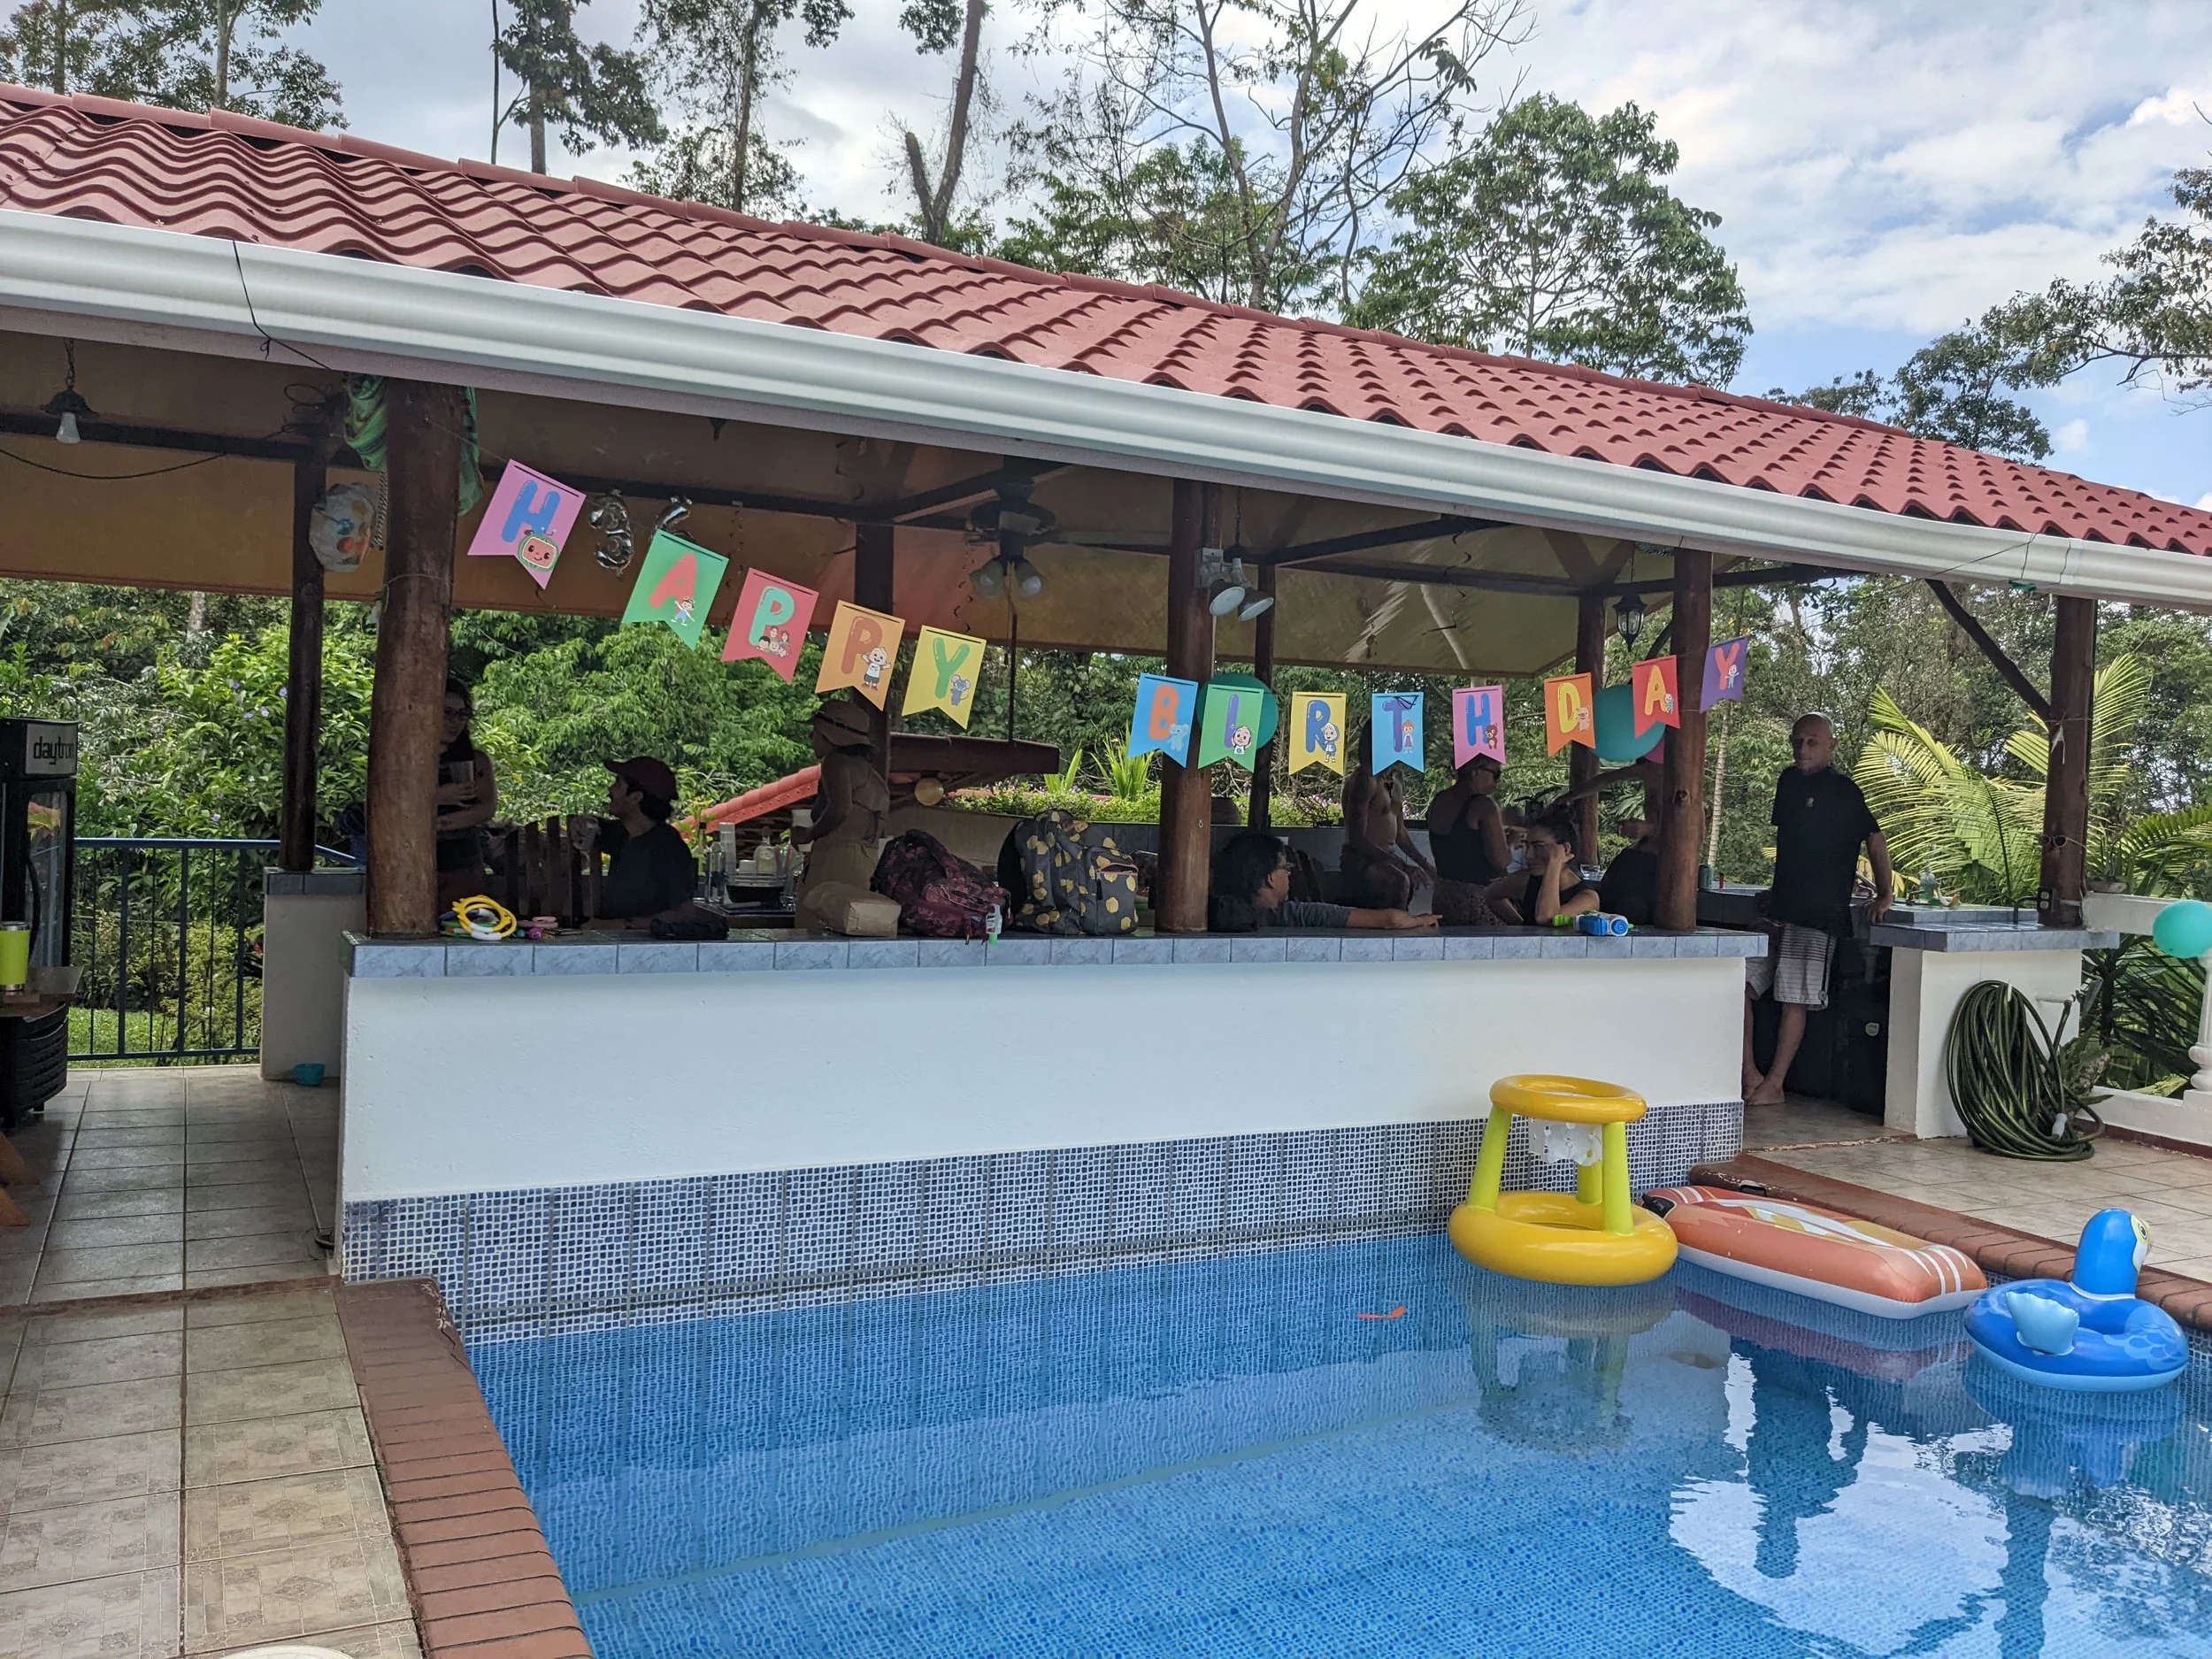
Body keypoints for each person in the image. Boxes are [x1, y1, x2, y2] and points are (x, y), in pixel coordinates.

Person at [1746, 713, 1893, 1107]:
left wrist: (1885, 894)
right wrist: (1775, 889)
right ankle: (1750, 1075)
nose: (1802, 749)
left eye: (1811, 742)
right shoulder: (1787, 781)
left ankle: (1775, 1084)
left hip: (1818, 911)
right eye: (1797, 741)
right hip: (1780, 906)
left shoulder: (1844, 790)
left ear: (1831, 746)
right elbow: (1794, 842)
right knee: (1738, 982)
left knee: (1795, 995)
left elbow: (1874, 841)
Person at [1210, 832, 1438, 933]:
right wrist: (1419, 920)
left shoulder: (1215, 912)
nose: (1290, 874)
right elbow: (1390, 919)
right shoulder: (1292, 914)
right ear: (1270, 877)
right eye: (1286, 868)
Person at [792, 697, 889, 930]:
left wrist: (807, 835)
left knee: (814, 932)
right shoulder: (870, 772)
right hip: (866, 859)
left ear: (830, 736)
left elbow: (840, 807)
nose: (811, 738)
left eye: (815, 732)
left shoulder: (835, 762)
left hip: (836, 857)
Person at [577, 757, 703, 926]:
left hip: (647, 949)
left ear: (635, 797)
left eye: (618, 784)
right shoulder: (622, 834)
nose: (610, 789)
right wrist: (579, 823)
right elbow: (596, 826)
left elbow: (684, 914)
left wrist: (622, 925)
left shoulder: (668, 848)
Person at [1340, 730, 1434, 909]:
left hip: (1388, 858)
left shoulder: (1394, 780)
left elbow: (1400, 834)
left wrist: (1426, 865)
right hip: (1360, 859)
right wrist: (1401, 865)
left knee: (1409, 880)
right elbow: (1356, 838)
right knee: (1399, 881)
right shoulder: (1365, 779)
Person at [434, 680, 498, 910]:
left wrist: (438, 824)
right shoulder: (407, 759)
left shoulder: (477, 760)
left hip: (463, 859)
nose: (455, 722)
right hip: (412, 859)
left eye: (462, 714)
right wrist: (438, 797)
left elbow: (486, 809)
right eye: (447, 713)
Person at [1426, 755, 1509, 925]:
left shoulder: (1439, 799)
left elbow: (1458, 844)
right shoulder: (1484, 806)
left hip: (1444, 895)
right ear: (1475, 771)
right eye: (1496, 774)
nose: (1497, 782)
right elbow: (1501, 861)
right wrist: (1510, 846)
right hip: (1479, 898)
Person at [1484, 813, 1601, 926]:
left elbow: (1546, 917)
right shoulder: (1526, 881)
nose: (1528, 855)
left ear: (1565, 849)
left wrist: (1554, 862)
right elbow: (1492, 895)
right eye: (1527, 846)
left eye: (1539, 846)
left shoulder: (1587, 898)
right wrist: (1520, 926)